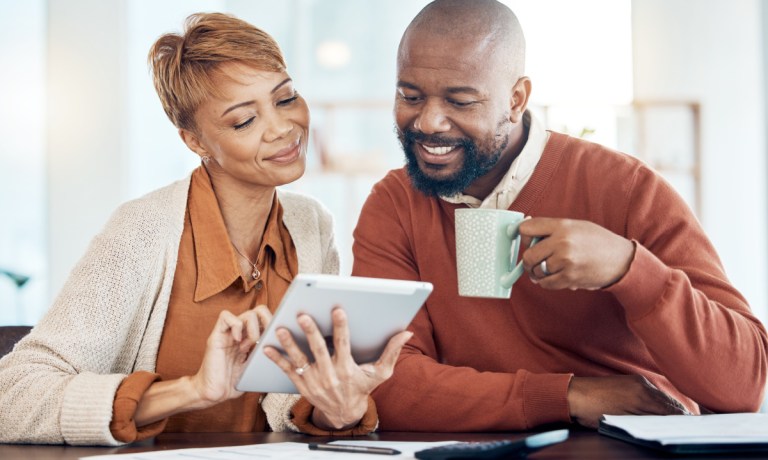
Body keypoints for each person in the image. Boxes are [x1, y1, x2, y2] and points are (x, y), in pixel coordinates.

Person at [352, 0, 768, 432]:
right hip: (479, 448)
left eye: (461, 101)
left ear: (516, 100)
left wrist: (628, 267)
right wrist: (570, 396)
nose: (429, 122)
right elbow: (383, 383)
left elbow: (744, 384)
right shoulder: (395, 204)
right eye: (409, 96)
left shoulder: (625, 189)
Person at [0, 12, 411, 445]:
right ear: (195, 141)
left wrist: (336, 410)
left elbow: (287, 404)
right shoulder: (142, 231)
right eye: (244, 121)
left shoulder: (310, 225)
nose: (282, 129)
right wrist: (192, 391)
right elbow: (11, 397)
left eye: (286, 98)